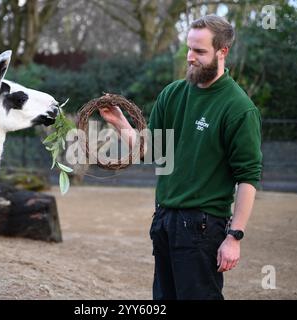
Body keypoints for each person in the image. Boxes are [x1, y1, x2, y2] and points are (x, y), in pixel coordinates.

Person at [99, 14, 262, 300]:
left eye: (200, 51)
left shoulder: (239, 108)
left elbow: (248, 178)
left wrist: (234, 237)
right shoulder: (172, 94)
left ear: (222, 52)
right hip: (163, 220)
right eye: (189, 48)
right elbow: (152, 151)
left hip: (202, 227)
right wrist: (121, 124)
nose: (190, 57)